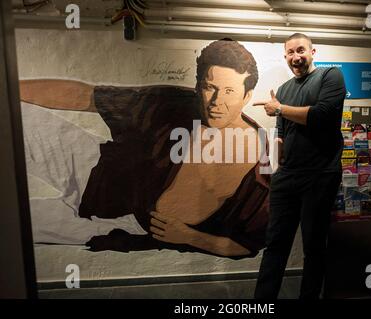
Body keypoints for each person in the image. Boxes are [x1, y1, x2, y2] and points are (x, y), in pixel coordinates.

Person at [20, 39, 270, 258]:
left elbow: (247, 244)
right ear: (198, 87)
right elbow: (85, 97)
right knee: (18, 114)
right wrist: (10, 88)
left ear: (247, 96)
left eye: (229, 91)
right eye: (210, 88)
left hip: (118, 224)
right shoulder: (173, 104)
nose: (217, 102)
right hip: (95, 169)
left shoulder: (260, 162)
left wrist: (188, 237)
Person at [253, 33, 346, 299]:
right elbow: (282, 132)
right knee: (275, 245)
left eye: (301, 50)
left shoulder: (330, 77)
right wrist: (275, 157)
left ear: (313, 51)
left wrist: (280, 108)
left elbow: (322, 116)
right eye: (291, 53)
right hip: (288, 176)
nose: (296, 57)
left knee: (314, 247)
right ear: (286, 57)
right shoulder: (283, 90)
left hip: (320, 175)